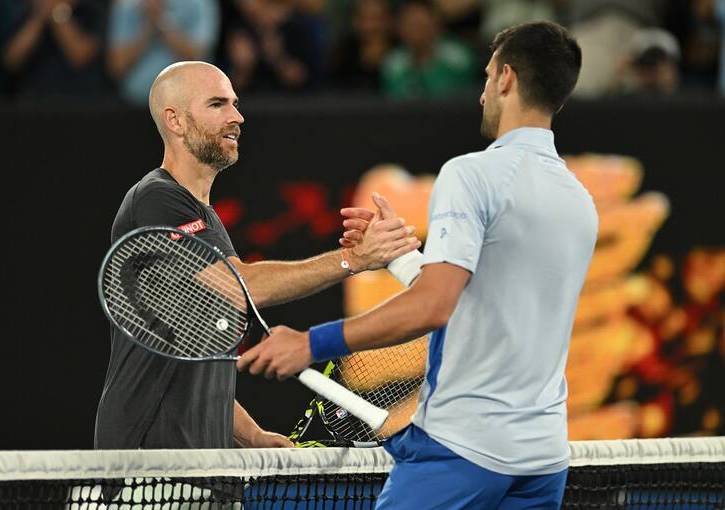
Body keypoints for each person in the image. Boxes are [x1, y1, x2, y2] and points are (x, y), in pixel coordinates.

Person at [238, 21, 598, 509]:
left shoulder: (472, 174)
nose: (482, 95)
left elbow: (433, 307)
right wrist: (401, 257)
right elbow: (484, 307)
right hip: (542, 462)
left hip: (462, 451)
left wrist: (309, 343)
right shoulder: (579, 200)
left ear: (507, 78)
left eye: (487, 76)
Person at [94, 61, 420, 450]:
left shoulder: (204, 217)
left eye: (235, 103)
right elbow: (239, 286)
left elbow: (196, 367)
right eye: (217, 104)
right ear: (175, 121)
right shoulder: (156, 199)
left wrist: (253, 436)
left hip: (204, 466)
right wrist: (355, 259)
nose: (237, 117)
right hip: (145, 460)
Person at [108, 0, 220, 105]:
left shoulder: (199, 4)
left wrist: (161, 20)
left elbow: (197, 59)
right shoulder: (127, 6)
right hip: (135, 103)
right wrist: (147, 25)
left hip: (186, 103)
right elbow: (117, 67)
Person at [3, 0, 108, 99]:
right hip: (33, 101)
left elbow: (81, 56)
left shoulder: (90, 12)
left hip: (81, 100)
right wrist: (39, 18)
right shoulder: (25, 14)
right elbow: (11, 60)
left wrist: (58, 14)